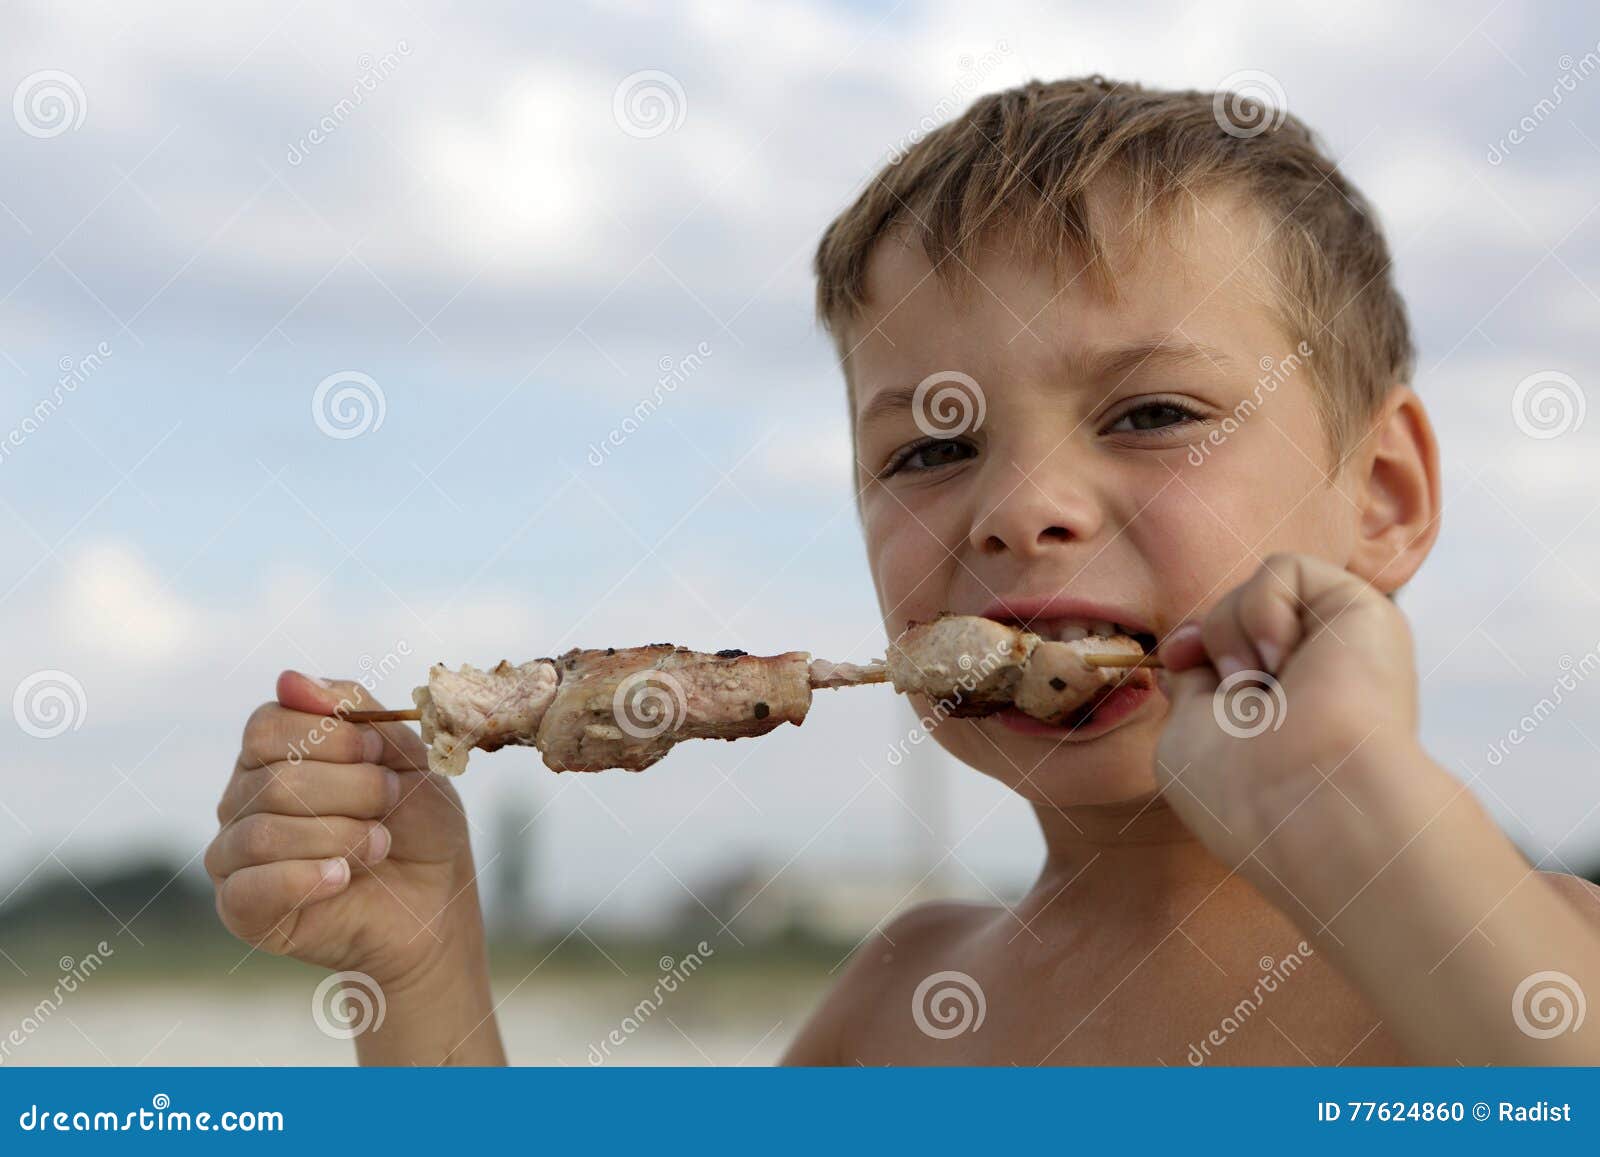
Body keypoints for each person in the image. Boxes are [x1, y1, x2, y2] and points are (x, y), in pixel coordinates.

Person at [206, 77, 1600, 1065]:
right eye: (932, 448)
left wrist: (1345, 802)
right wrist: (422, 969)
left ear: (1386, 498)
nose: (1020, 510)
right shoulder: (897, 1013)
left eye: (1152, 414)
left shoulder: (1537, 969)